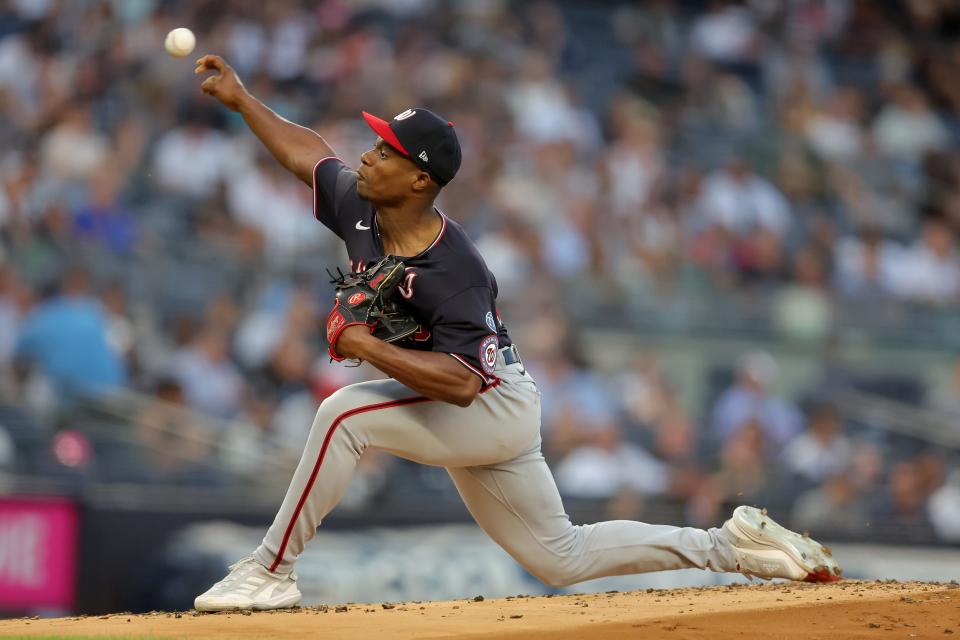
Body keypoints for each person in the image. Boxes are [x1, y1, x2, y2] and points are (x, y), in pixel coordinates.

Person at [191, 55, 840, 612]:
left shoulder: (454, 269)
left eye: (385, 149)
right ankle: (730, 546)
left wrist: (365, 346)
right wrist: (244, 101)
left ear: (420, 179)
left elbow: (463, 383)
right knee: (563, 557)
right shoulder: (363, 204)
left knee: (342, 413)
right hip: (480, 403)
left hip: (488, 402)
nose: (368, 153)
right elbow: (311, 157)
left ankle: (270, 571)